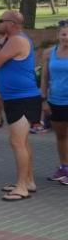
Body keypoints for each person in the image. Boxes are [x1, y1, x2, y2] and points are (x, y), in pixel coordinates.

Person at [0, 11, 41, 201]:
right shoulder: (10, 39)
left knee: (17, 142)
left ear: (12, 24)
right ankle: (28, 181)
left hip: (22, 99)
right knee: (21, 142)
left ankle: (22, 187)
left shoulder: (16, 40)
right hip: (17, 98)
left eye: (1, 21)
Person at [41, 22, 68, 185]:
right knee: (61, 136)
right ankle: (64, 167)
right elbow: (44, 78)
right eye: (64, 34)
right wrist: (44, 99)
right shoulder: (49, 53)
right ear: (58, 35)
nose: (67, 38)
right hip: (55, 101)